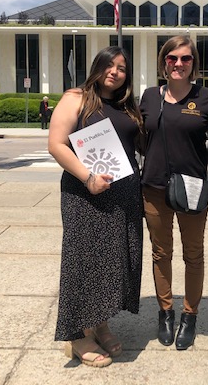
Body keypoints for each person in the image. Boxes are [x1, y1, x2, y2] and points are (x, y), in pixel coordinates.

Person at [48, 46, 143, 368]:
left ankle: (100, 322)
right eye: (110, 65)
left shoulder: (126, 104)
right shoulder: (76, 97)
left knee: (112, 262)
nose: (115, 72)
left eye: (122, 68)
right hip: (84, 194)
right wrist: (88, 177)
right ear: (97, 66)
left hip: (123, 196)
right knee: (83, 260)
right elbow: (57, 144)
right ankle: (76, 335)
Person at [140, 35, 208, 350]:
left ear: (194, 64)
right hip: (154, 188)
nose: (178, 64)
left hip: (192, 189)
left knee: (193, 255)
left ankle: (190, 315)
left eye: (185, 58)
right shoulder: (148, 97)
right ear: (163, 62)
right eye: (172, 58)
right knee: (161, 253)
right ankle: (166, 312)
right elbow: (136, 138)